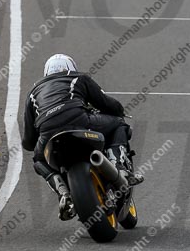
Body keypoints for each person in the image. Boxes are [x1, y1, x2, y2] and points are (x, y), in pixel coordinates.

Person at [22, 54, 143, 221]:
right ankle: (119, 167)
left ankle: (64, 193)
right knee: (118, 124)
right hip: (78, 120)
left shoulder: (33, 92)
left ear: (46, 72)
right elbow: (105, 103)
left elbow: (28, 141)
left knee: (39, 160)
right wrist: (119, 111)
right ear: (71, 68)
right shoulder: (77, 78)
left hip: (48, 132)